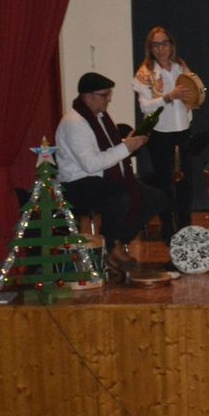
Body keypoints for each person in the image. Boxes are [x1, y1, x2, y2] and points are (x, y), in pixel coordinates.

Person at [55, 72, 166, 270]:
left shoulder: (98, 116)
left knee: (155, 197)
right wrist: (127, 147)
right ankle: (111, 244)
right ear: (88, 96)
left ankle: (117, 240)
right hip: (78, 183)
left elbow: (105, 149)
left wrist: (129, 142)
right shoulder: (75, 123)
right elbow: (90, 164)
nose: (109, 99)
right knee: (120, 197)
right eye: (104, 95)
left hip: (98, 178)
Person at [131, 26, 196, 244]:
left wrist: (190, 103)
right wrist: (169, 97)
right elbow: (145, 107)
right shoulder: (145, 73)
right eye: (156, 45)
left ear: (171, 45)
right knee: (164, 186)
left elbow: (194, 93)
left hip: (183, 132)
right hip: (161, 135)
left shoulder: (181, 67)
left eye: (164, 43)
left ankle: (186, 230)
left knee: (185, 184)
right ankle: (169, 231)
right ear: (150, 48)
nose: (161, 49)